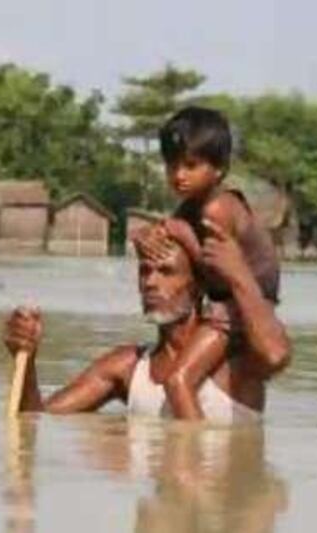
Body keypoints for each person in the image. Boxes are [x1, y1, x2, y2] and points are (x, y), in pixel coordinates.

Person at [2, 221, 289, 422]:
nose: (150, 282)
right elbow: (35, 419)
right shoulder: (127, 367)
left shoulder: (235, 362)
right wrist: (26, 359)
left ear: (199, 285)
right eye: (145, 271)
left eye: (166, 272)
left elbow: (276, 354)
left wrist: (237, 277)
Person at [133, 106, 282, 420]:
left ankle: (192, 449)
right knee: (181, 378)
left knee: (179, 380)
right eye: (171, 166)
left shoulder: (217, 209)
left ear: (219, 169)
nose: (179, 175)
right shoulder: (190, 208)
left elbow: (217, 273)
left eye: (190, 165)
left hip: (240, 307)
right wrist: (147, 238)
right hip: (225, 305)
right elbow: (173, 246)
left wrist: (186, 237)